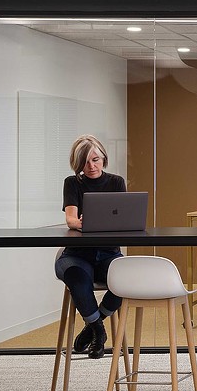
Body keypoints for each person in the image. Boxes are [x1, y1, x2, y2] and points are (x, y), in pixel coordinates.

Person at [54, 134, 125, 359]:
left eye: (95, 159)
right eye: (85, 161)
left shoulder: (116, 182)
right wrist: (83, 223)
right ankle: (99, 331)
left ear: (104, 158)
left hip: (108, 253)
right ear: (78, 163)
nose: (91, 166)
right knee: (78, 277)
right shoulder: (72, 182)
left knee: (125, 278)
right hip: (77, 255)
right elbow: (71, 219)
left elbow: (123, 217)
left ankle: (93, 325)